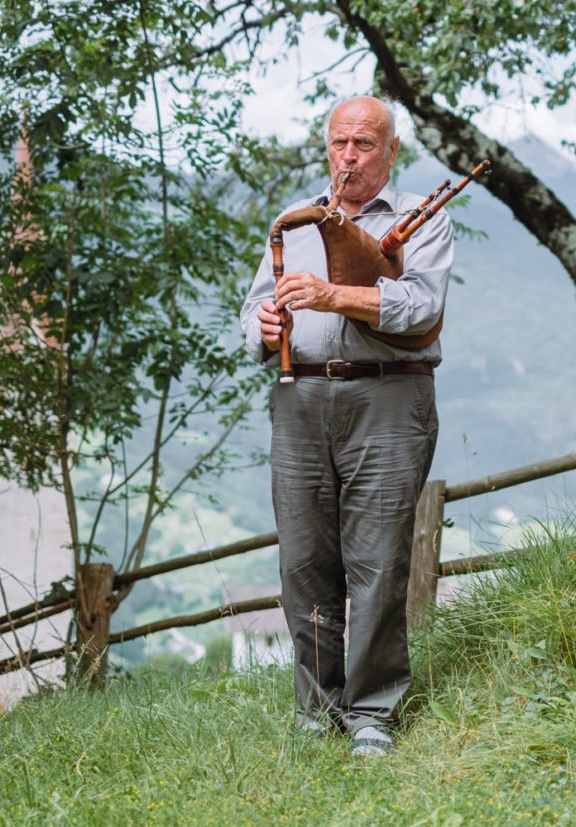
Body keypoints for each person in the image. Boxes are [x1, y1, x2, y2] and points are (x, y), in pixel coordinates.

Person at [239, 96, 453, 756]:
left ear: (390, 152)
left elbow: (421, 306)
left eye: (364, 143)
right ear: (326, 147)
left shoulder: (422, 219)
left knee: (378, 558)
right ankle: (317, 706)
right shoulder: (293, 220)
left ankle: (372, 712)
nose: (349, 155)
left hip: (388, 398)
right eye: (339, 143)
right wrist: (263, 328)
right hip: (299, 397)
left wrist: (334, 296)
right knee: (304, 559)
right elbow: (251, 310)